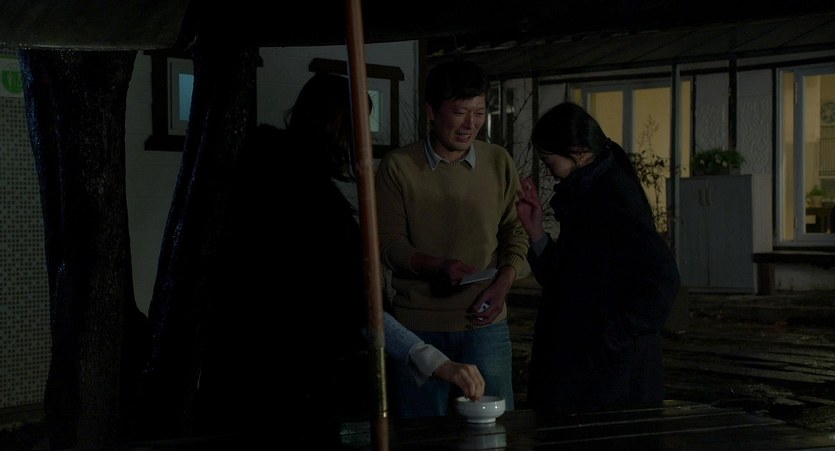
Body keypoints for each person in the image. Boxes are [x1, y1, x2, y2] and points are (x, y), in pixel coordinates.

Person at [196, 72, 484, 446]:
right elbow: (354, 303)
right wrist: (432, 359)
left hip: (242, 369)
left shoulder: (268, 173)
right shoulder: (306, 199)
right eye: (359, 126)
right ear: (337, 126)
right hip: (282, 378)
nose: (365, 139)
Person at [375, 60, 530, 419]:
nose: (471, 124)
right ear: (432, 111)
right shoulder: (399, 166)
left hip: (486, 324)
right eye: (460, 112)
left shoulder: (498, 161)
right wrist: (437, 265)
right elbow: (389, 245)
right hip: (419, 327)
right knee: (421, 434)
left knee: (493, 429)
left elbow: (515, 231)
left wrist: (503, 283)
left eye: (479, 113)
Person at [514, 101, 681, 413]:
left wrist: (613, 332)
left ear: (577, 152)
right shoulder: (587, 189)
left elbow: (662, 276)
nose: (549, 172)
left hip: (607, 372)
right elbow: (568, 276)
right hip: (586, 360)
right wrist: (536, 231)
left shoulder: (610, 193)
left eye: (550, 162)